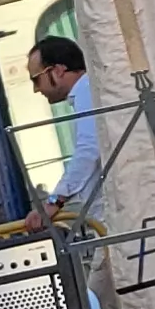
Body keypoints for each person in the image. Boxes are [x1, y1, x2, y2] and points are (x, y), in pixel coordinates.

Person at [20, 35, 106, 232]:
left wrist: (53, 202)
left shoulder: (86, 89)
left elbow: (89, 149)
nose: (36, 89)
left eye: (36, 79)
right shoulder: (87, 90)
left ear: (57, 71)